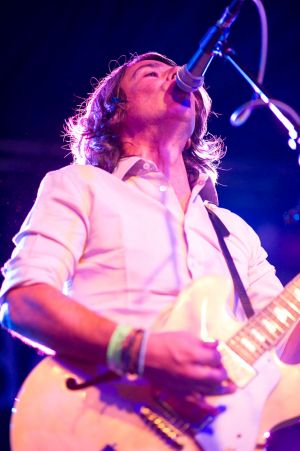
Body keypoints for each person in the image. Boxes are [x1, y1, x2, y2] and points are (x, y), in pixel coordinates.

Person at [0, 52, 298, 424]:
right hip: (109, 421)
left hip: (221, 430)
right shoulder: (80, 185)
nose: (176, 74)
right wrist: (140, 351)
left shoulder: (234, 229)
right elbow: (24, 302)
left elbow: (284, 346)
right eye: (151, 73)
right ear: (115, 112)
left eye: (174, 71)